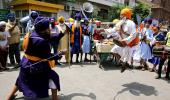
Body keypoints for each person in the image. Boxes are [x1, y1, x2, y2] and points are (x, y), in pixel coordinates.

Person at [7, 17, 66, 100]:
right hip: (36, 67)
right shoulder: (41, 41)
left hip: (25, 64)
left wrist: (62, 34)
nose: (49, 29)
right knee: (54, 77)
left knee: (20, 79)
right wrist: (60, 53)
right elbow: (49, 57)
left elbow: (51, 37)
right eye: (48, 27)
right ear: (44, 29)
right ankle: (55, 99)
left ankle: (8, 97)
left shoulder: (32, 34)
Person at [111, 8, 139, 73]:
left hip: (131, 42)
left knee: (127, 53)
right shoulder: (121, 23)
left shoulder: (131, 23)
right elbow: (117, 31)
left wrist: (124, 39)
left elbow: (133, 35)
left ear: (125, 15)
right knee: (123, 53)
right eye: (120, 15)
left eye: (122, 15)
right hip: (124, 42)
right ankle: (124, 63)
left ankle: (125, 64)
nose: (120, 16)